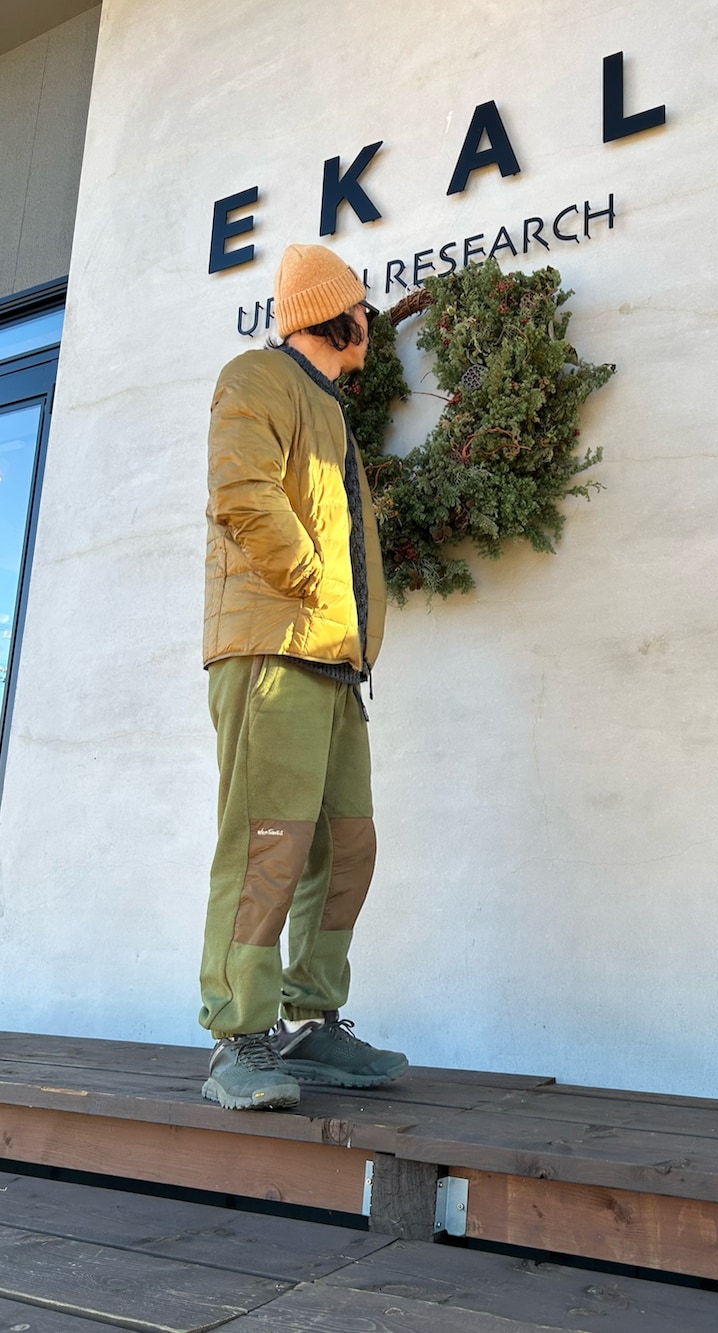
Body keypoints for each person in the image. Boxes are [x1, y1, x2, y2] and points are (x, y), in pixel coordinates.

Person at [198, 243, 407, 1110]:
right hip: (275, 650)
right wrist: (315, 584)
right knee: (268, 843)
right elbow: (242, 493)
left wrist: (347, 629)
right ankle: (238, 1036)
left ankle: (313, 1017)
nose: (371, 323)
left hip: (333, 660)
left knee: (345, 844)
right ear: (335, 315)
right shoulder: (256, 378)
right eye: (363, 309)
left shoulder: (330, 410)